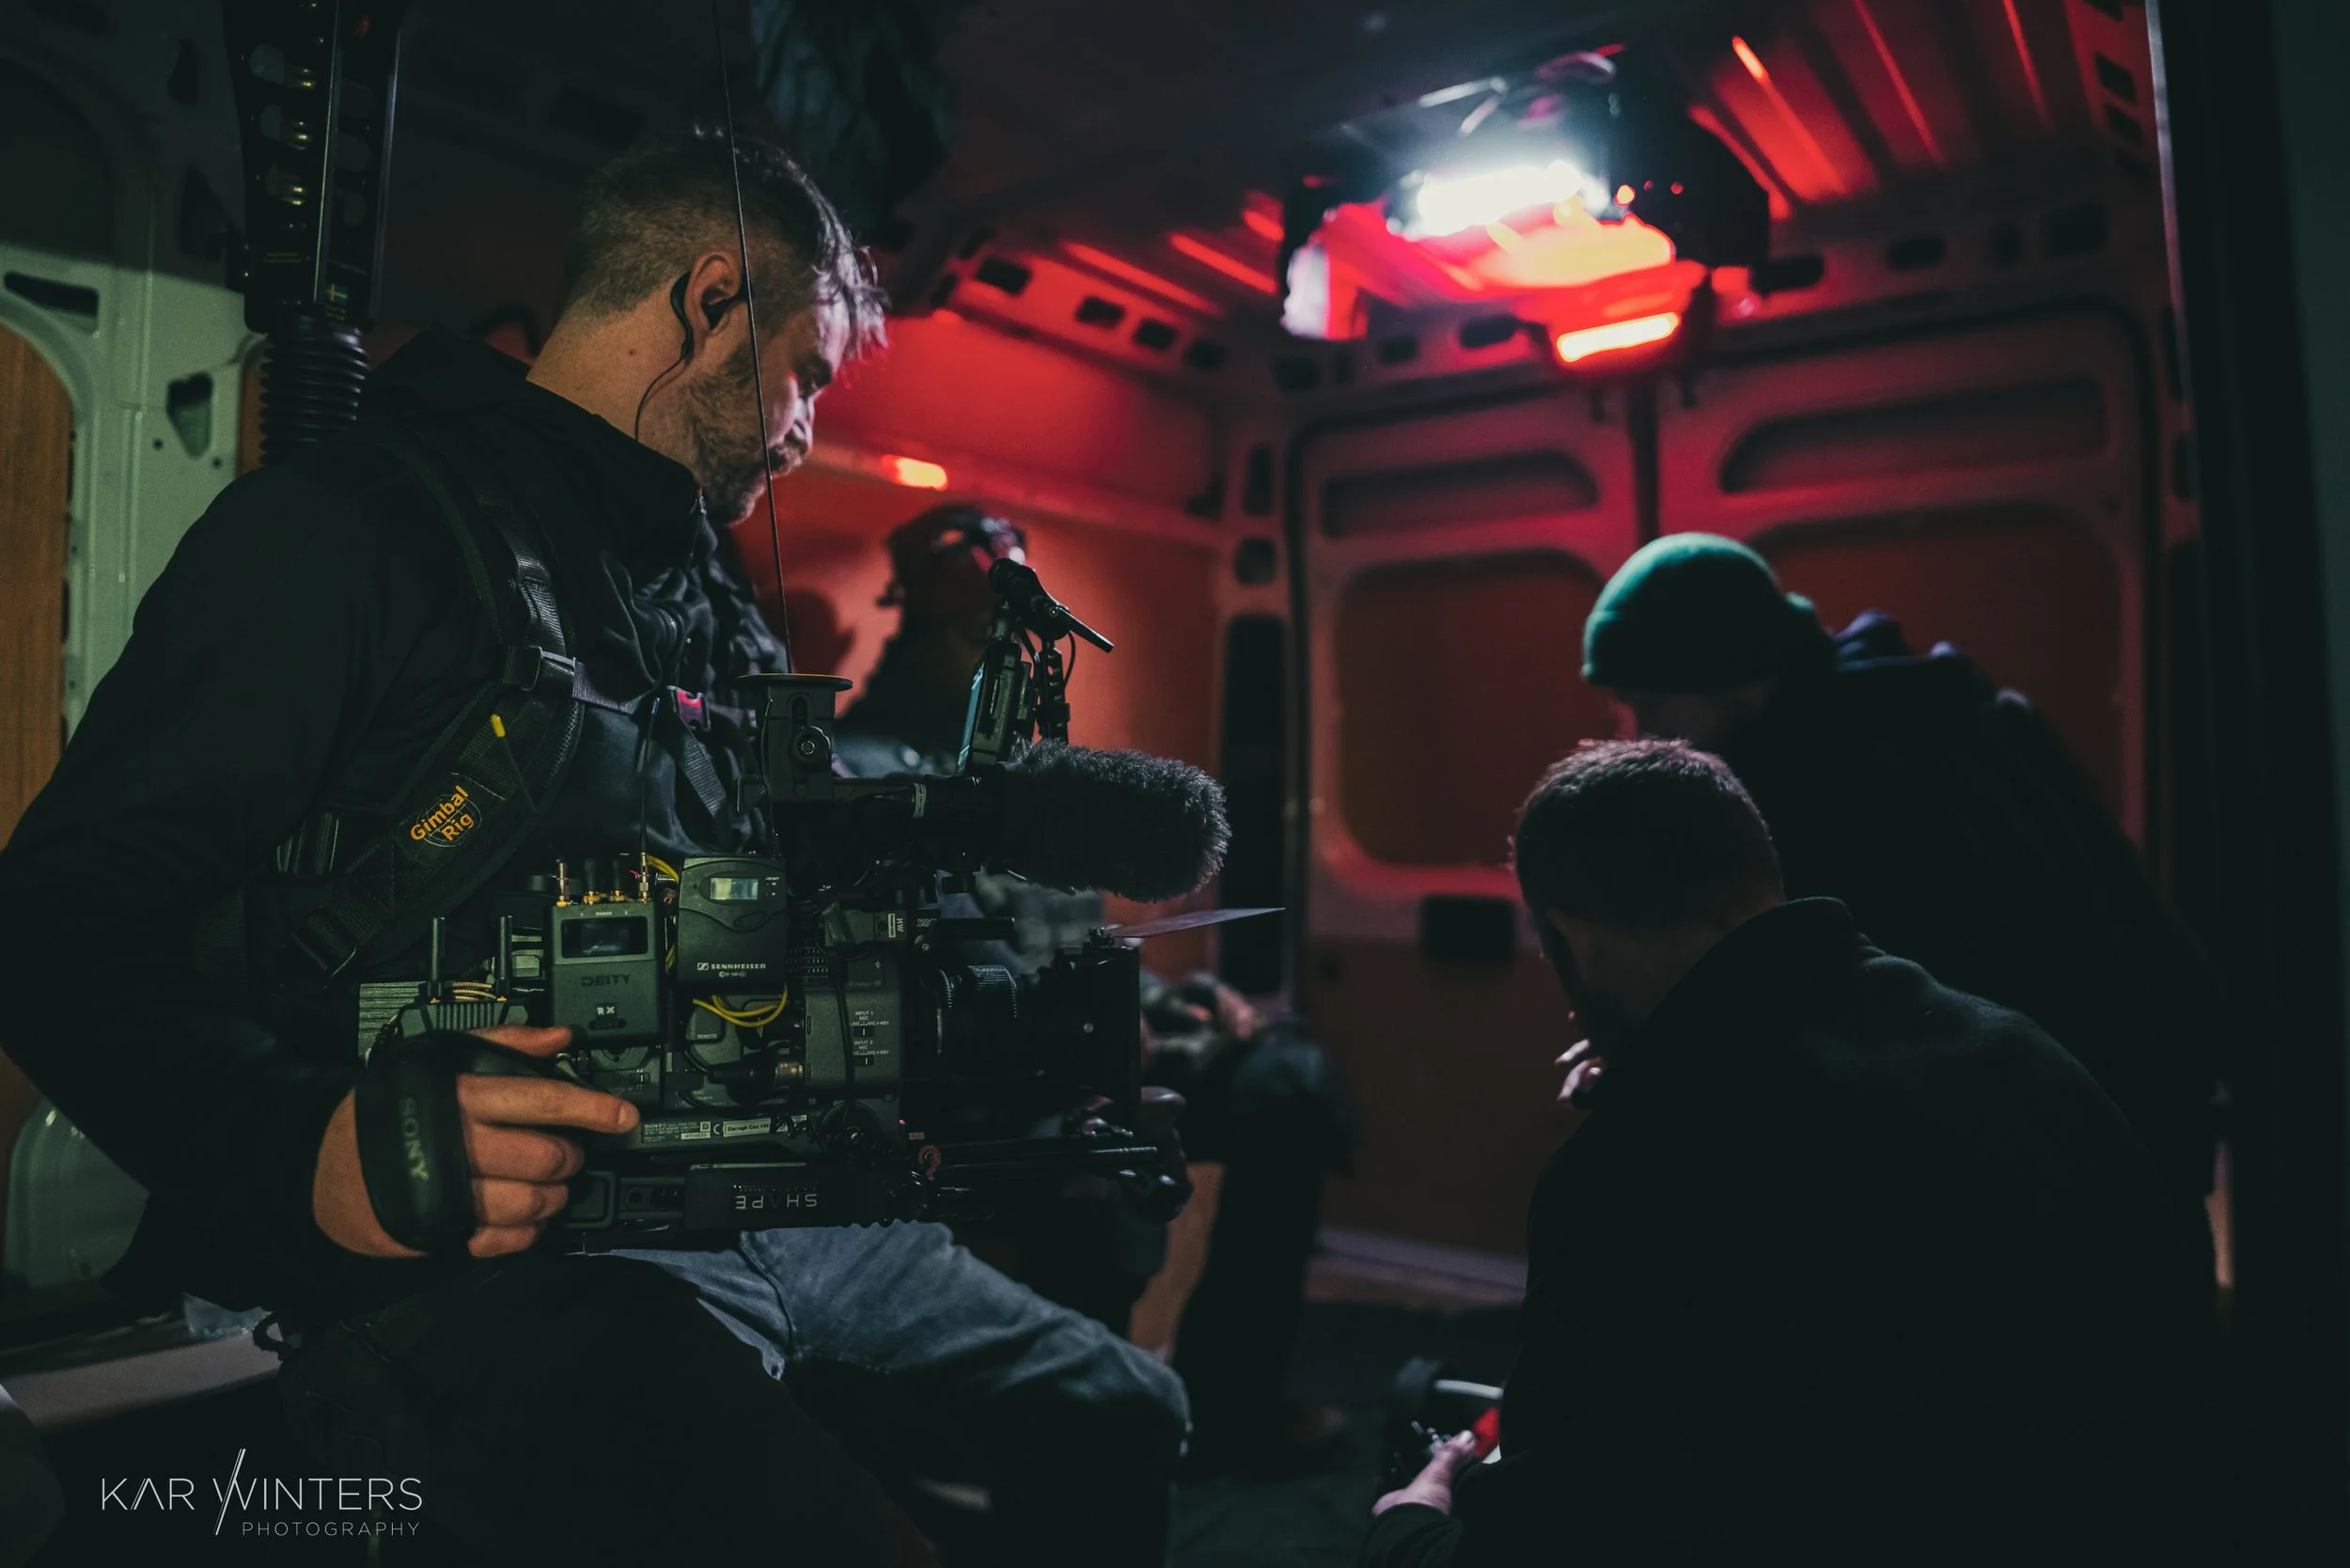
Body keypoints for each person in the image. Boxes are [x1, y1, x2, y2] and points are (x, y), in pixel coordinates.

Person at [0, 130, 1183, 1565]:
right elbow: (59, 920)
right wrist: (294, 1138)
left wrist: (991, 823)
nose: (806, 424)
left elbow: (780, 849)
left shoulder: (700, 594)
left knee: (1127, 1407)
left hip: (763, 1194)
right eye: (804, 370)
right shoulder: (352, 535)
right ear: (706, 304)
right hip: (485, 1257)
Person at [1365, 740, 2216, 1568]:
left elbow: (1564, 1538)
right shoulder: (2013, 1050)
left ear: (1573, 942)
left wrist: (1413, 1524)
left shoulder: (1635, 1174)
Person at [838, 506, 1355, 1473]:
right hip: (982, 1089)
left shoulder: (1033, 776)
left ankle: (1229, 1402)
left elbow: (1071, 935)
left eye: (1019, 640)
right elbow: (922, 985)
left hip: (1087, 1049)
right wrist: (1067, 1047)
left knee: (1285, 1086)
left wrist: (1166, 1005)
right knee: (1093, 1172)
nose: (1011, 659)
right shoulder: (870, 779)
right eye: (980, 636)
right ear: (928, 631)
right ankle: (1076, 1450)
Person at [1579, 533, 2218, 1231]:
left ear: (1733, 675)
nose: (1643, 730)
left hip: (2057, 1177)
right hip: (2118, 1128)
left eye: (1654, 701)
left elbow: (1853, 1016)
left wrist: (1665, 1058)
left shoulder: (1852, 780)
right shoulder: (1931, 714)